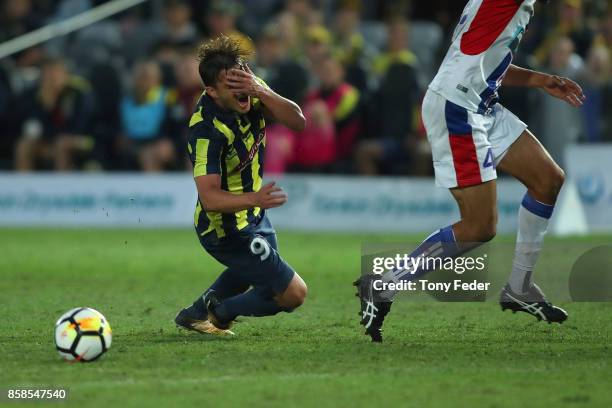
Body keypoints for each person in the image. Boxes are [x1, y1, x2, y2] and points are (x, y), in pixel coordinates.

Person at [355, 0, 586, 342]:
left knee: (547, 179)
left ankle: (520, 287)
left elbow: (486, 61)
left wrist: (539, 79)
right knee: (480, 226)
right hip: (457, 107)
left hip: (482, 103)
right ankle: (384, 284)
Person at [174, 36, 307, 335]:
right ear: (212, 91)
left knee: (253, 273)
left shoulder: (249, 85)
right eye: (231, 84)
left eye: (243, 77)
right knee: (292, 294)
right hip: (225, 228)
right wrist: (256, 198)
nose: (242, 89)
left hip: (253, 213)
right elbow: (209, 199)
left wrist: (260, 88)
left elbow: (298, 122)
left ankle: (197, 313)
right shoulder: (207, 130)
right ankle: (221, 312)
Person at [14, 57, 94, 171]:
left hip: (84, 139)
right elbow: (31, 126)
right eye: (47, 75)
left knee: (61, 144)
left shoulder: (78, 93)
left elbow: (80, 126)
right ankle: (23, 186)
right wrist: (47, 106)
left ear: (65, 75)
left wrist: (55, 139)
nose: (52, 79)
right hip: (50, 138)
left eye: (55, 74)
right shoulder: (36, 95)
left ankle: (61, 186)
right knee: (24, 145)